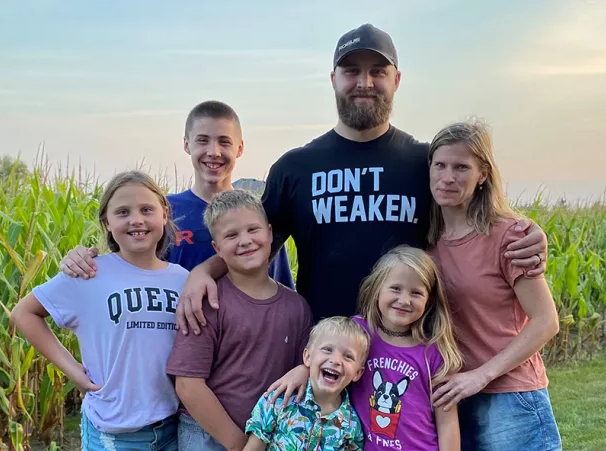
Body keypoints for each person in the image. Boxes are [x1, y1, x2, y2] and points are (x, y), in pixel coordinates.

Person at [175, 23, 548, 337]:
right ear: (333, 79)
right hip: (326, 354)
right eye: (352, 71)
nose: (364, 82)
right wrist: (204, 273)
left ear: (396, 80)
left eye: (378, 72)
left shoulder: (425, 163)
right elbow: (252, 246)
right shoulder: (295, 168)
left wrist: (527, 233)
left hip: (410, 351)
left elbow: (476, 220)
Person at [11, 170, 186, 451]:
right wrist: (74, 371)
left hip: (172, 429)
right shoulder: (88, 273)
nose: (136, 220)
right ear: (107, 222)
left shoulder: (182, 279)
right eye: (123, 212)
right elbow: (24, 313)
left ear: (164, 215)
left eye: (146, 209)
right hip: (113, 432)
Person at [425, 119, 562, 450]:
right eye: (440, 165)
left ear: (482, 174)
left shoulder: (509, 236)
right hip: (455, 398)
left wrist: (480, 375)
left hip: (510, 399)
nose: (447, 177)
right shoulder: (428, 241)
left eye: (461, 167)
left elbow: (546, 322)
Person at [57, 100, 295, 288]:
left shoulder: (258, 217)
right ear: (186, 145)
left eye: (224, 142)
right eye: (202, 141)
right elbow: (125, 270)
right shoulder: (161, 214)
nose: (213, 152)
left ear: (240, 148)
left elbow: (279, 288)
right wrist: (80, 259)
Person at [266, 245, 463, 450]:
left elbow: (447, 422)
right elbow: (329, 358)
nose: (404, 300)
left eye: (416, 293)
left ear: (428, 300)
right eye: (395, 288)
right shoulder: (359, 333)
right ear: (377, 289)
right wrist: (303, 370)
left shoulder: (434, 353)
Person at [165, 189, 313, 451]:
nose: (245, 241)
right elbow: (188, 385)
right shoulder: (207, 301)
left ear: (269, 233)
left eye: (253, 230)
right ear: (217, 248)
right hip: (205, 435)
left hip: (268, 434)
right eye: (231, 235)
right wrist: (239, 445)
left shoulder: (297, 307)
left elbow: (301, 374)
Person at [244, 316, 370, 450]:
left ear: (357, 373)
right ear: (308, 356)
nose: (336, 360)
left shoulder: (352, 426)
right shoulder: (278, 400)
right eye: (327, 349)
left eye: (348, 356)